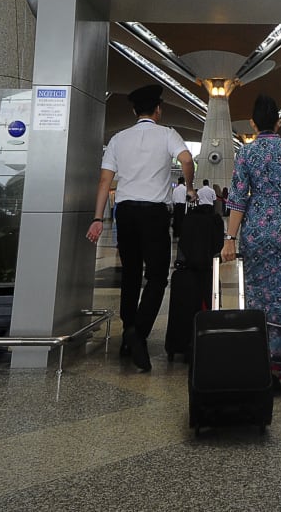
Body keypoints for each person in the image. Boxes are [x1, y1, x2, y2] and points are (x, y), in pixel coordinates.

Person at [86, 84, 195, 372]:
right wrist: (190, 186)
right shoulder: (168, 134)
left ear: (134, 111)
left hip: (126, 213)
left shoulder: (118, 139)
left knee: (131, 275)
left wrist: (98, 218)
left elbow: (104, 181)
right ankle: (139, 332)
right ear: (158, 110)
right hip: (154, 214)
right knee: (157, 276)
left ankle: (127, 335)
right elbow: (186, 159)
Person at [221, 94, 281, 389]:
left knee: (257, 294)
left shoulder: (246, 154)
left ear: (252, 123)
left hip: (256, 229)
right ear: (279, 121)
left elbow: (236, 199)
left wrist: (229, 238)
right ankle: (280, 366)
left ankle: (257, 359)